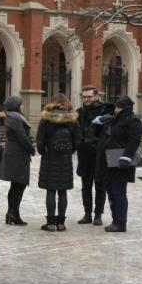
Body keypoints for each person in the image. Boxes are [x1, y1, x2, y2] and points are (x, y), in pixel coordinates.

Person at [93, 96, 142, 232]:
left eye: (117, 107)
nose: (115, 110)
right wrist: (100, 121)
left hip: (120, 162)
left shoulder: (132, 120)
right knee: (112, 192)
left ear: (121, 108)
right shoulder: (117, 119)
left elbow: (134, 141)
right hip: (110, 161)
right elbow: (106, 131)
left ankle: (120, 223)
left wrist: (127, 157)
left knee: (118, 192)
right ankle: (116, 220)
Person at [36, 93, 79, 232]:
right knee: (62, 191)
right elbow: (77, 141)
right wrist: (68, 152)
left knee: (50, 190)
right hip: (65, 160)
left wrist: (44, 152)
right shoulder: (72, 120)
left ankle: (50, 223)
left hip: (50, 158)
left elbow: (40, 141)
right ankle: (61, 223)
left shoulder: (46, 119)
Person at [75, 86, 113, 226]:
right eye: (84, 97)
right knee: (86, 185)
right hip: (84, 154)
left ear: (96, 96)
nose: (86, 99)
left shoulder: (105, 111)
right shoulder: (79, 112)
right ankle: (87, 214)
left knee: (100, 185)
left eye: (89, 97)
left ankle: (98, 214)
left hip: (99, 153)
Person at [0, 96, 35, 226]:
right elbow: (22, 138)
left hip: (16, 154)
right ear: (16, 106)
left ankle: (12, 214)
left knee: (16, 186)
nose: (23, 107)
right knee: (19, 185)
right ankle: (13, 214)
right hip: (16, 154)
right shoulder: (14, 117)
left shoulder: (13, 117)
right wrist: (31, 149)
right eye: (21, 105)